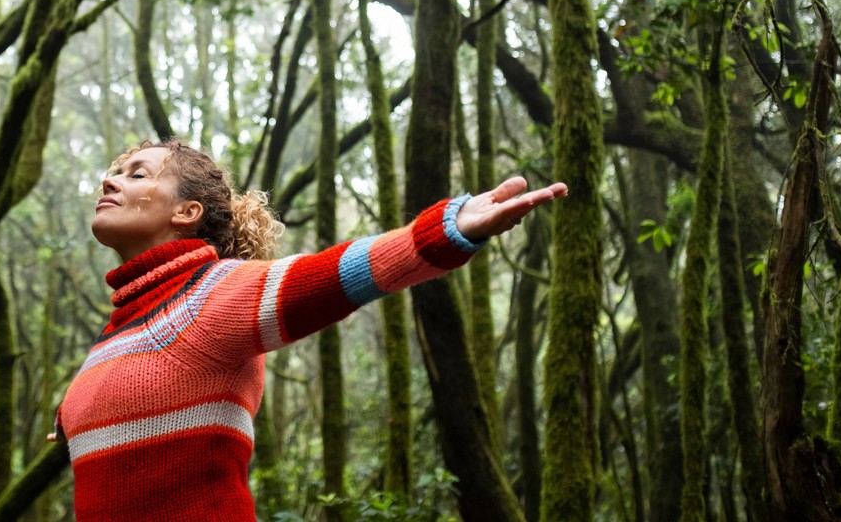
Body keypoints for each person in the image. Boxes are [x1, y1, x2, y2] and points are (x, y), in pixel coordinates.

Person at [52, 138, 568, 520]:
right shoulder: (117, 333)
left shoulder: (209, 298)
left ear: (188, 212)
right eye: (115, 172)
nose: (110, 180)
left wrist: (443, 231)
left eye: (137, 174)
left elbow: (330, 276)